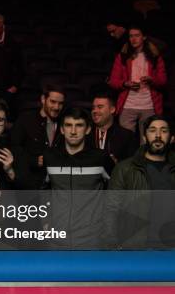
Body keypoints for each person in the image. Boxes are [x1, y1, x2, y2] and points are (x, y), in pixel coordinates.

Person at [43, 107, 114, 248]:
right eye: (68, 125)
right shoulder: (50, 157)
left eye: (79, 125)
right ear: (62, 130)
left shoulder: (100, 158)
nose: (73, 131)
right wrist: (46, 222)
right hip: (56, 239)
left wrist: (106, 228)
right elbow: (43, 190)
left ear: (87, 129)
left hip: (91, 240)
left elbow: (117, 193)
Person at [105, 115, 175, 248]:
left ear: (172, 138)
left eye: (164, 131)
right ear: (144, 137)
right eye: (152, 130)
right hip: (136, 247)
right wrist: (111, 243)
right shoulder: (125, 168)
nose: (158, 135)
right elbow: (111, 209)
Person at [108, 25, 168, 137]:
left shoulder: (154, 56)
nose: (133, 39)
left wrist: (152, 80)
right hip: (128, 105)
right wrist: (125, 83)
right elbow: (113, 81)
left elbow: (163, 81)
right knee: (125, 141)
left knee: (146, 142)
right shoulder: (123, 56)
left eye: (137, 35)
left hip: (149, 106)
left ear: (144, 37)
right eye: (131, 36)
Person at [11, 84, 65, 189]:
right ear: (43, 99)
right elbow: (14, 149)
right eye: (53, 102)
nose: (56, 107)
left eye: (60, 104)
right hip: (30, 187)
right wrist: (33, 160)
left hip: (55, 187)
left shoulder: (64, 123)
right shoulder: (25, 120)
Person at [0, 12, 23, 111]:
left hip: (7, 92)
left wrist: (14, 87)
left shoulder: (13, 44)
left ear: (3, 26)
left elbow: (20, 67)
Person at [88, 93, 137, 163]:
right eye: (93, 108)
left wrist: (118, 164)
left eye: (100, 107)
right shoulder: (86, 134)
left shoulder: (127, 136)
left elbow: (132, 164)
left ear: (112, 109)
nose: (94, 111)